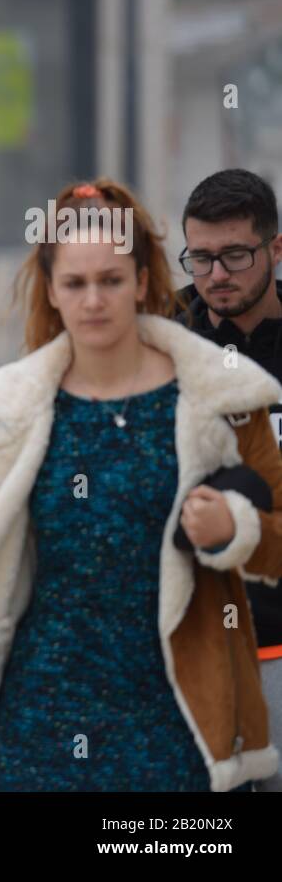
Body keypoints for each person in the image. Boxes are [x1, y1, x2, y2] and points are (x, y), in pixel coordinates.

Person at [0, 178, 282, 791]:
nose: (94, 300)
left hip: (176, 723)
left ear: (142, 283)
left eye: (112, 281)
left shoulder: (223, 398)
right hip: (37, 726)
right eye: (75, 283)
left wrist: (236, 528)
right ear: (53, 291)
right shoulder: (13, 420)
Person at [173, 167, 282, 790]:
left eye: (235, 255)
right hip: (186, 648)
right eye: (201, 257)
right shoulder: (157, 345)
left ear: (274, 249)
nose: (216, 275)